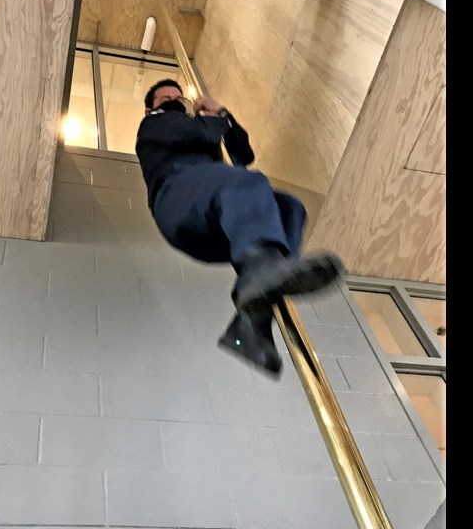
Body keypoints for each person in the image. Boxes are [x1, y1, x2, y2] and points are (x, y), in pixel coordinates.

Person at [135, 79, 343, 378]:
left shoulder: (201, 132)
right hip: (179, 201)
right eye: (167, 97)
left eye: (179, 97)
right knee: (244, 181)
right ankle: (259, 271)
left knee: (288, 207)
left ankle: (252, 321)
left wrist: (222, 112)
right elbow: (201, 135)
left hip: (211, 222)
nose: (176, 99)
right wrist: (214, 119)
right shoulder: (154, 125)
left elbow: (243, 154)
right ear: (149, 108)